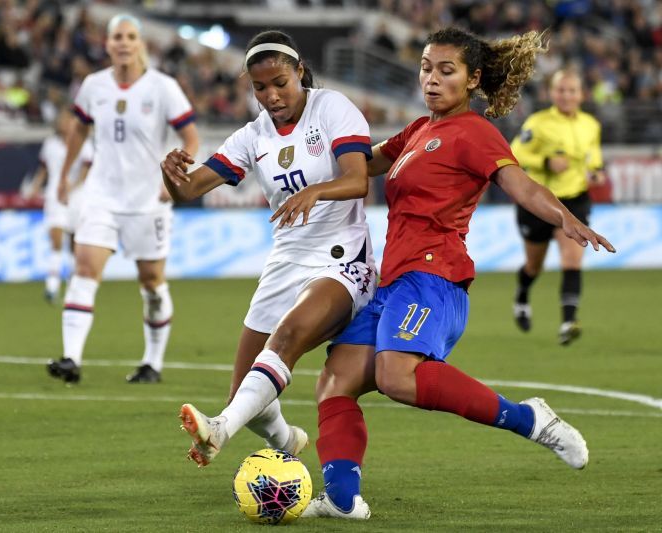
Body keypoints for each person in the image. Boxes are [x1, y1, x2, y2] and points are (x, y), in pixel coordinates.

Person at [301, 27, 616, 520]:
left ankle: (529, 418)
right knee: (335, 383)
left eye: (446, 71)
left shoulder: (474, 131)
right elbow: (360, 164)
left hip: (434, 278)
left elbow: (521, 184)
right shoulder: (417, 132)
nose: (431, 79)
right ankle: (343, 500)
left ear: (472, 80)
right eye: (426, 67)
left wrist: (566, 217)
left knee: (396, 377)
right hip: (392, 282)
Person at [161, 30, 377, 467]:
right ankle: (287, 441)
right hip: (286, 260)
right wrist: (170, 173)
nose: (272, 95)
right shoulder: (253, 137)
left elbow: (358, 179)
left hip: (340, 256)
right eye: (260, 87)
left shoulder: (330, 107)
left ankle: (219, 428)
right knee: (246, 389)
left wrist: (315, 191)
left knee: (286, 339)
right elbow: (187, 191)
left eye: (281, 82)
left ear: (299, 72)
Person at [46, 14, 199, 384]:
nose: (124, 43)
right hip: (101, 195)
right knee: (84, 269)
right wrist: (66, 176)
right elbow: (79, 130)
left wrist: (176, 178)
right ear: (108, 43)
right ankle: (71, 358)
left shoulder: (163, 87)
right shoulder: (94, 85)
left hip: (148, 199)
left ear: (140, 42)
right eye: (117, 37)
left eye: (131, 36)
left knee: (151, 281)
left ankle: (152, 363)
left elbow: (191, 137)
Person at [510, 68, 606, 345]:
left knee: (572, 259)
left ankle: (568, 321)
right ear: (551, 93)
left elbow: (593, 158)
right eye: (561, 90)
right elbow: (516, 152)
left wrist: (597, 172)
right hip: (538, 200)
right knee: (534, 265)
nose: (566, 95)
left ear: (581, 94)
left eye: (572, 90)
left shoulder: (591, 125)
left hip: (575, 199)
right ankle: (522, 296)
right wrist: (546, 162)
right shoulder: (538, 123)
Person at [28, 107, 93, 303]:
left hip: (77, 197)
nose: (64, 124)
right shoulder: (50, 144)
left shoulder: (84, 143)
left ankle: (73, 285)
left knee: (75, 243)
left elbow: (86, 170)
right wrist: (35, 186)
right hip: (55, 196)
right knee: (56, 240)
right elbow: (44, 169)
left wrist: (72, 187)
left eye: (68, 120)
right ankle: (52, 285)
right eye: (62, 120)